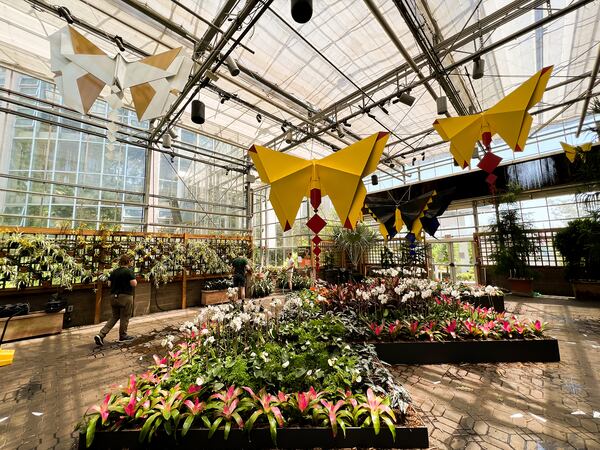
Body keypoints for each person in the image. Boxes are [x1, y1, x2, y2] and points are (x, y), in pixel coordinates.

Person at [94, 254, 137, 345]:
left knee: (114, 316)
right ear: (128, 262)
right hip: (125, 297)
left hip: (113, 297)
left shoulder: (114, 272)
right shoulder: (128, 272)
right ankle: (123, 336)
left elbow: (109, 284)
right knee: (125, 317)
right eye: (131, 261)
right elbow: (134, 284)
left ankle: (101, 334)